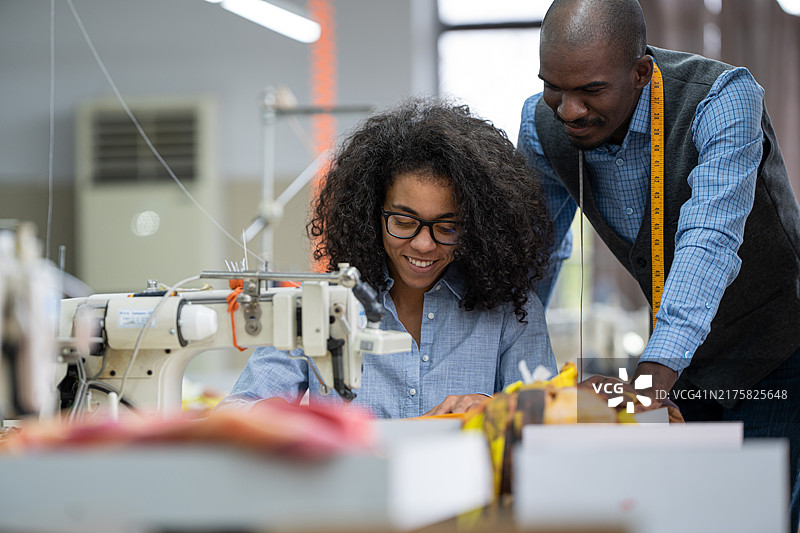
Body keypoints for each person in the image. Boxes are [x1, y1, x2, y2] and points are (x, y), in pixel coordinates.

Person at [518, 0, 800, 529]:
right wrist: (526, 385)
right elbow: (533, 260)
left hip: (777, 346)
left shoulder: (722, 98)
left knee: (756, 516)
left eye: (591, 90)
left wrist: (648, 387)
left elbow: (708, 242)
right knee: (683, 516)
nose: (569, 110)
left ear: (642, 72)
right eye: (554, 87)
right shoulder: (542, 127)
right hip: (685, 363)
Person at [217, 98, 557, 419]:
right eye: (404, 222)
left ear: (479, 226)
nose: (423, 244)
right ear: (371, 214)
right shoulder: (320, 307)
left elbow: (549, 420)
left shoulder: (511, 312)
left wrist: (498, 408)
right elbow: (230, 413)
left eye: (448, 227)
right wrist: (272, 418)